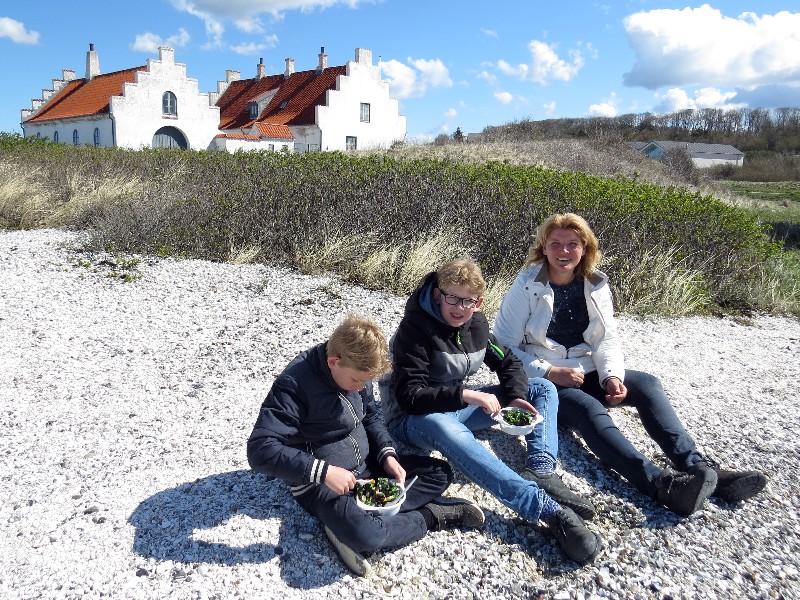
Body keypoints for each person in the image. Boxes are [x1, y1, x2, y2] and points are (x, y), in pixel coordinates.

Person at [494, 212, 768, 517]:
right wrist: (549, 371)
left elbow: (606, 338)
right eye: (555, 243)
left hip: (586, 368)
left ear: (585, 248)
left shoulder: (595, 284)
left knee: (647, 385)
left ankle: (699, 468)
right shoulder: (526, 285)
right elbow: (502, 345)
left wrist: (611, 375)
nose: (563, 251)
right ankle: (661, 485)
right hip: (546, 381)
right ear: (543, 247)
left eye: (572, 244)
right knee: (588, 409)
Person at [380, 258, 602, 565]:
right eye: (452, 298)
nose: (459, 308)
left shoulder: (477, 325)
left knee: (543, 388)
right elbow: (409, 396)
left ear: (479, 301)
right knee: (446, 429)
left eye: (468, 301)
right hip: (411, 420)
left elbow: (508, 362)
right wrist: (466, 395)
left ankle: (540, 468)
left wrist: (515, 397)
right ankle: (545, 509)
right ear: (437, 295)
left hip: (457, 406)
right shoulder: (414, 330)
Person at [247, 314, 485, 577]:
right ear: (333, 361)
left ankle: (351, 522)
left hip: (368, 468)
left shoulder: (358, 369)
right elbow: (260, 450)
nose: (361, 387)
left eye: (366, 382)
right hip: (324, 485)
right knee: (368, 535)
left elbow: (371, 416)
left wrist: (387, 455)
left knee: (440, 473)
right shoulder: (293, 386)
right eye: (357, 381)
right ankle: (430, 516)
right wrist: (325, 472)